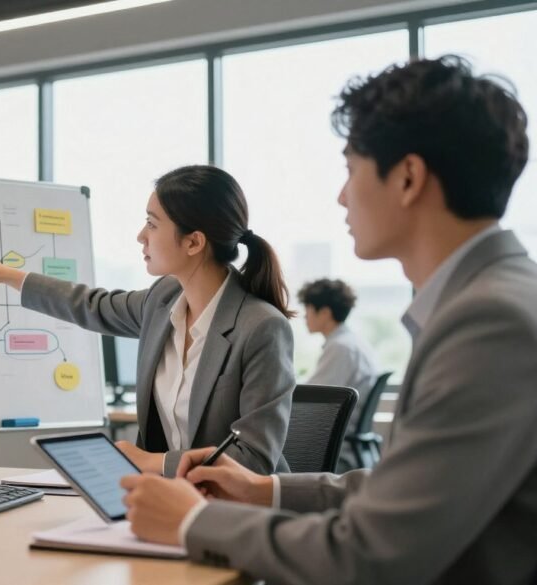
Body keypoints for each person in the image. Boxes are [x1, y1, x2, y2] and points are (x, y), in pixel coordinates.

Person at [120, 56, 536, 584]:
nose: (342, 196)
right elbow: (408, 492)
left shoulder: (489, 322)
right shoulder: (498, 299)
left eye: (350, 170)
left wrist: (194, 522)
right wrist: (263, 490)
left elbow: (373, 554)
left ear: (408, 177)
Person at [0, 164, 296, 475]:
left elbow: (253, 459)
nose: (141, 236)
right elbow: (91, 305)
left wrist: (152, 462)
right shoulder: (162, 301)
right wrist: (6, 275)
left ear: (193, 242)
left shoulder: (261, 328)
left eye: (152, 223)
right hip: (167, 500)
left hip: (238, 514)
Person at [298, 278, 379, 470]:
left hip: (338, 450)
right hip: (351, 446)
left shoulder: (341, 348)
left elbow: (312, 404)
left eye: (307, 309)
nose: (304, 317)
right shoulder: (352, 343)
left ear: (325, 313)